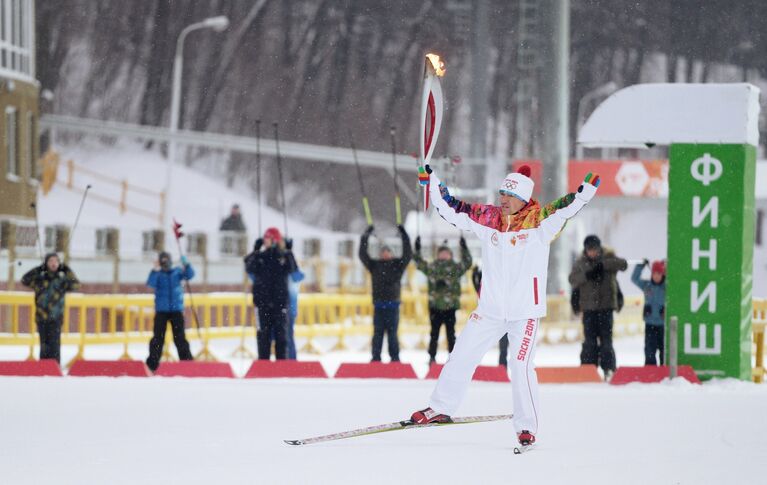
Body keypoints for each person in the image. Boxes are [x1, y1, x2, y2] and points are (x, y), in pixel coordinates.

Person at [410, 164, 600, 451]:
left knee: (520, 365)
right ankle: (440, 407)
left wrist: (585, 193)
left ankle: (526, 428)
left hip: (524, 313)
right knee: (460, 354)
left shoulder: (540, 222)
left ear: (523, 198)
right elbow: (452, 208)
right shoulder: (489, 219)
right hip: (490, 310)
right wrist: (433, 182)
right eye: (502, 193)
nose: (503, 199)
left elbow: (567, 206)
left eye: (509, 195)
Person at [568, 235, 628, 381]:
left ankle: (608, 369)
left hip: (605, 308)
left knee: (606, 341)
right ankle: (589, 368)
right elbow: (572, 279)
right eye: (589, 250)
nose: (592, 253)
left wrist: (603, 265)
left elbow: (623, 264)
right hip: (589, 309)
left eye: (594, 250)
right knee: (590, 341)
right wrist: (587, 275)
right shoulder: (581, 264)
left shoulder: (608, 258)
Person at [415, 236, 472, 364]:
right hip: (435, 306)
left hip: (450, 307)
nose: (444, 255)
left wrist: (464, 247)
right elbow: (419, 263)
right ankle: (432, 357)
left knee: (450, 334)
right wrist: (417, 248)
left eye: (446, 253)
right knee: (434, 334)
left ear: (450, 255)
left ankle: (452, 358)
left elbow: (468, 262)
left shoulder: (455, 268)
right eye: (442, 253)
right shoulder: (433, 267)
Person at [359, 225, 412, 362]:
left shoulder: (397, 265)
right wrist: (366, 235)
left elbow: (408, 254)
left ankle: (395, 359)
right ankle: (376, 358)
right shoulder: (374, 265)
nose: (385, 254)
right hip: (379, 305)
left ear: (391, 254)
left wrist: (403, 234)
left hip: (393, 305)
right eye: (383, 252)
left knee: (393, 334)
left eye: (388, 252)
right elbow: (362, 255)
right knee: (378, 334)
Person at [244, 227, 298, 360]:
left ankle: (281, 363)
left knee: (281, 336)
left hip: (280, 303)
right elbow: (248, 266)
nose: (265, 241)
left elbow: (294, 270)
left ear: (274, 240)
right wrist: (255, 250)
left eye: (267, 238)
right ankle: (263, 363)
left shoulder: (283, 258)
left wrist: (289, 252)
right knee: (263, 336)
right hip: (262, 304)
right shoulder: (261, 257)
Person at [21, 253, 80, 364]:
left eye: (56, 261)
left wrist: (66, 269)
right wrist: (39, 269)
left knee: (55, 345)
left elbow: (76, 284)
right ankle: (43, 367)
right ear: (46, 263)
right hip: (41, 317)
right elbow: (25, 279)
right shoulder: (39, 279)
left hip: (56, 317)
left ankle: (55, 367)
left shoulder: (62, 281)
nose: (53, 263)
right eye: (50, 261)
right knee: (44, 345)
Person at [145, 251, 195, 372]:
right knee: (158, 338)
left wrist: (186, 264)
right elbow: (150, 283)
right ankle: (152, 364)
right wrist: (155, 269)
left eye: (167, 260)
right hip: (161, 311)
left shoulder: (177, 272)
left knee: (180, 338)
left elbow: (190, 275)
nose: (165, 263)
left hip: (176, 310)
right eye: (163, 260)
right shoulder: (158, 274)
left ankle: (187, 363)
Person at [631, 259, 666, 365]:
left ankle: (664, 368)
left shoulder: (666, 287)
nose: (656, 276)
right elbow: (634, 278)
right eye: (654, 274)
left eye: (659, 274)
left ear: (662, 274)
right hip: (650, 323)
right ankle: (650, 369)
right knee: (649, 349)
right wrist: (640, 266)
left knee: (663, 349)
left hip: (663, 324)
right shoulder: (647, 285)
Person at [472, 266, 508, 366]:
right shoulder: (485, 289)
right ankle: (474, 365)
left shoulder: (499, 285)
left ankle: (503, 365)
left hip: (502, 318)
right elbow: (478, 290)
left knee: (504, 344)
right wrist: (475, 276)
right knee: (479, 343)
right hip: (486, 319)